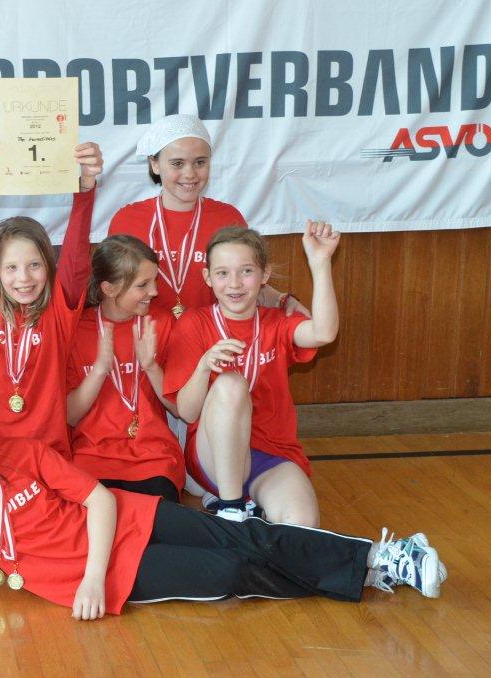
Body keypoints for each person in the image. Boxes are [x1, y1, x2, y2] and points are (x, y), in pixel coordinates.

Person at [0, 389, 446, 629]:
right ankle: (362, 573)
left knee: (242, 537)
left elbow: (98, 499)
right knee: (232, 572)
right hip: (113, 576)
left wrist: (91, 576)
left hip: (124, 520)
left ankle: (380, 559)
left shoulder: (19, 453)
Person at [164, 224, 337, 525]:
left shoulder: (276, 322)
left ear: (264, 275)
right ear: (208, 277)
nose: (234, 283)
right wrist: (204, 366)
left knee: (301, 523)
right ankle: (231, 508)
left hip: (270, 453)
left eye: (246, 271)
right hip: (213, 459)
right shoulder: (194, 324)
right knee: (230, 385)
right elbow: (188, 412)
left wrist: (320, 263)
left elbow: (323, 333)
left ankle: (254, 511)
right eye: (222, 273)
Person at [0, 133, 102, 458]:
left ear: (49, 267)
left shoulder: (58, 312)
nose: (23, 278)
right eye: (10, 267)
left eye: (34, 265)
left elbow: (76, 253)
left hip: (49, 457)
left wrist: (86, 187)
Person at [108, 114, 303, 319]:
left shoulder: (228, 218)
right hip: (146, 336)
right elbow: (112, 292)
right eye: (177, 163)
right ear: (154, 164)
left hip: (212, 336)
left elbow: (244, 284)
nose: (190, 174)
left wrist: (282, 300)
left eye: (200, 162)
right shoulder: (126, 220)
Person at [65, 235, 184, 501]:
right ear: (109, 289)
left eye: (155, 281)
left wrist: (151, 366)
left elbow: (180, 409)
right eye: (143, 285)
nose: (154, 291)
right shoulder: (77, 330)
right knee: (102, 523)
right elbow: (70, 416)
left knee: (154, 522)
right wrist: (99, 370)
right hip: (92, 457)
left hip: (153, 458)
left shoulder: (161, 323)